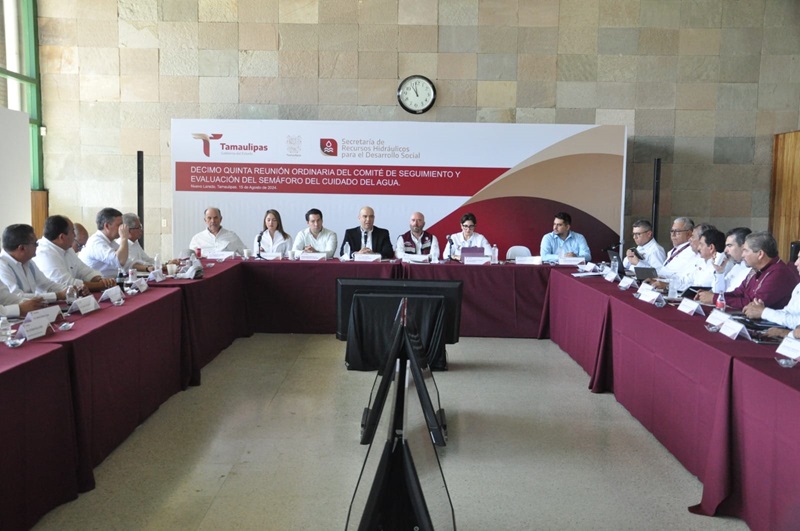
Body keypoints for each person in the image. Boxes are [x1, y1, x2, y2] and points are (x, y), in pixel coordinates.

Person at [702, 231, 798, 311]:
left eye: (746, 251)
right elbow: (738, 293)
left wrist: (715, 298)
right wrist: (715, 296)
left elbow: (753, 305)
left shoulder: (779, 273)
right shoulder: (756, 269)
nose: (742, 255)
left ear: (760, 254)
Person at [32, 215, 116, 292]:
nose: (75, 236)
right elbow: (67, 284)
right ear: (62, 237)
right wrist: (100, 285)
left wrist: (100, 280)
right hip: (51, 301)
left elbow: (84, 271)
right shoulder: (44, 254)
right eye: (73, 232)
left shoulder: (67, 249)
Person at [0, 224, 66, 302]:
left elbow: (47, 285)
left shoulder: (28, 262)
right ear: (22, 248)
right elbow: (16, 296)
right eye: (35, 243)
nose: (37, 246)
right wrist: (56, 296)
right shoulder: (2, 266)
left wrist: (69, 290)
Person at [741, 253, 800, 337]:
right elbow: (788, 313)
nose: (796, 263)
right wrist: (760, 310)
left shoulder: (779, 271)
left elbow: (797, 321)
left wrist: (764, 312)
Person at [79, 207, 131, 278]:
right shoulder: (96, 242)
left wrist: (145, 268)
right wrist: (124, 238)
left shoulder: (110, 241)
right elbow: (120, 261)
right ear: (107, 226)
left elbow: (127, 262)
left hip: (110, 281)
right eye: (119, 225)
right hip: (97, 283)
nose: (122, 228)